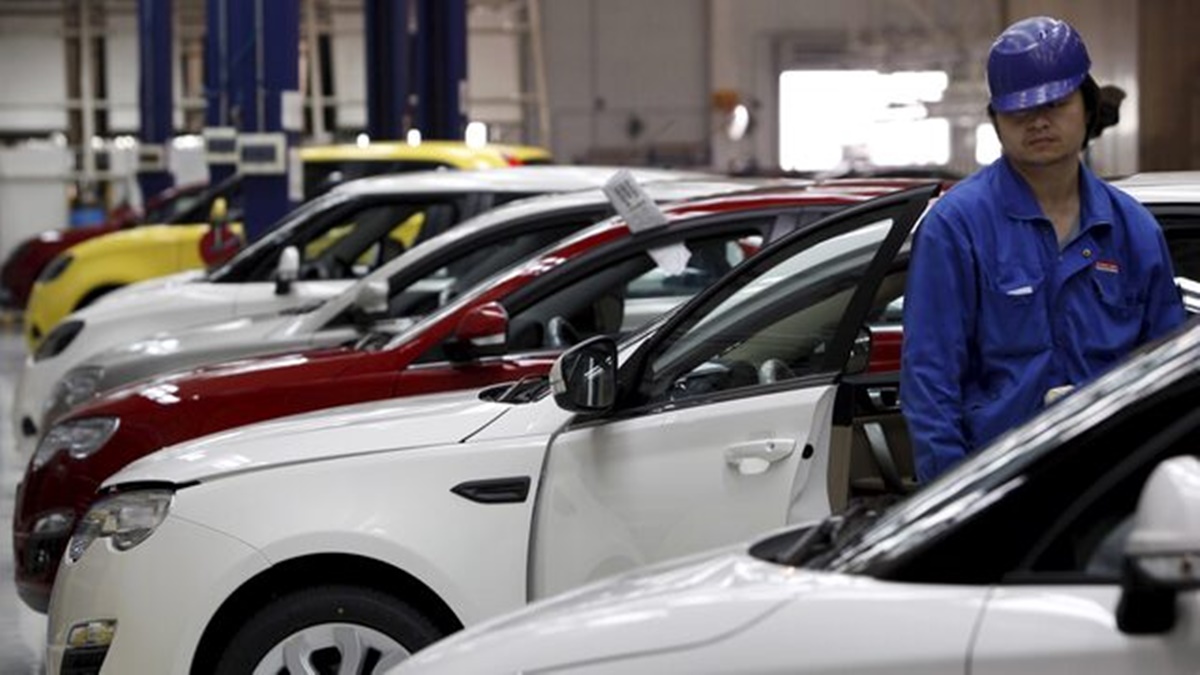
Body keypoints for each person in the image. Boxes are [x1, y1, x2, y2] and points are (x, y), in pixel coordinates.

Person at [901, 16, 1186, 483]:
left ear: (1087, 106)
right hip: (998, 482)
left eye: (1055, 103)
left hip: (1109, 480)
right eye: (1019, 110)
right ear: (996, 119)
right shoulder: (957, 227)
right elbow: (930, 383)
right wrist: (950, 505)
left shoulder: (1133, 231)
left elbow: (1166, 375)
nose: (1038, 122)